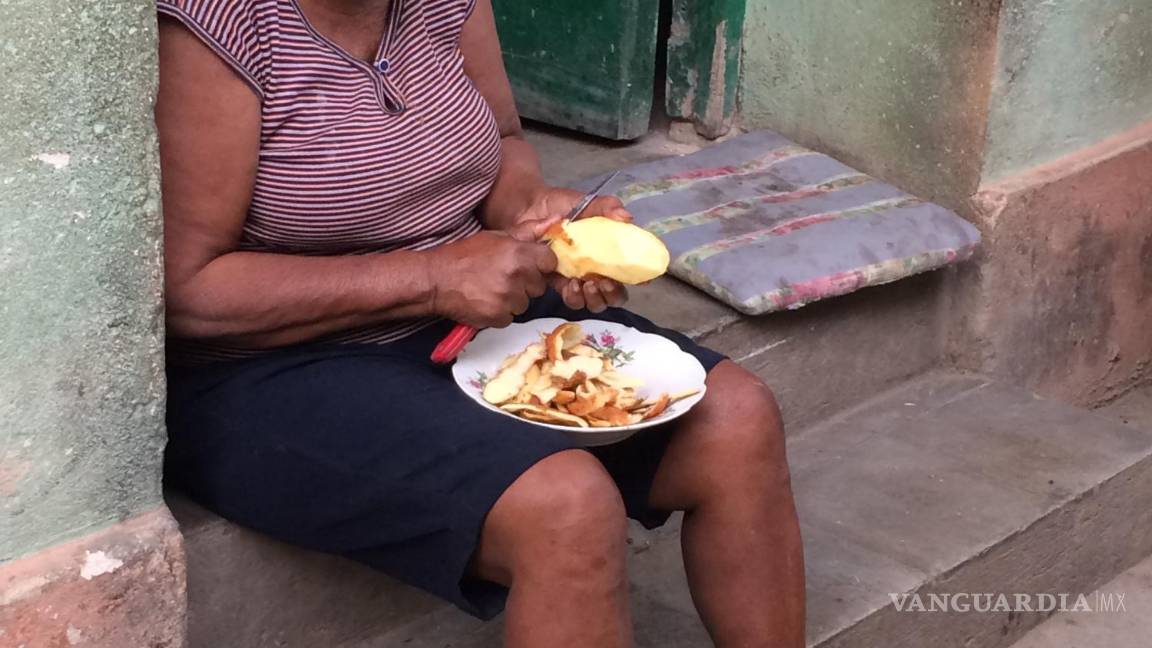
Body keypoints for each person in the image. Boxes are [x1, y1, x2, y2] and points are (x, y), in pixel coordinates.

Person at [156, 0, 805, 645]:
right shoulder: (223, 25)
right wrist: (433, 279)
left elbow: (502, 141)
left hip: (469, 316)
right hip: (273, 364)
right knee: (566, 507)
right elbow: (187, 293)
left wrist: (533, 211)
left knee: (735, 419)